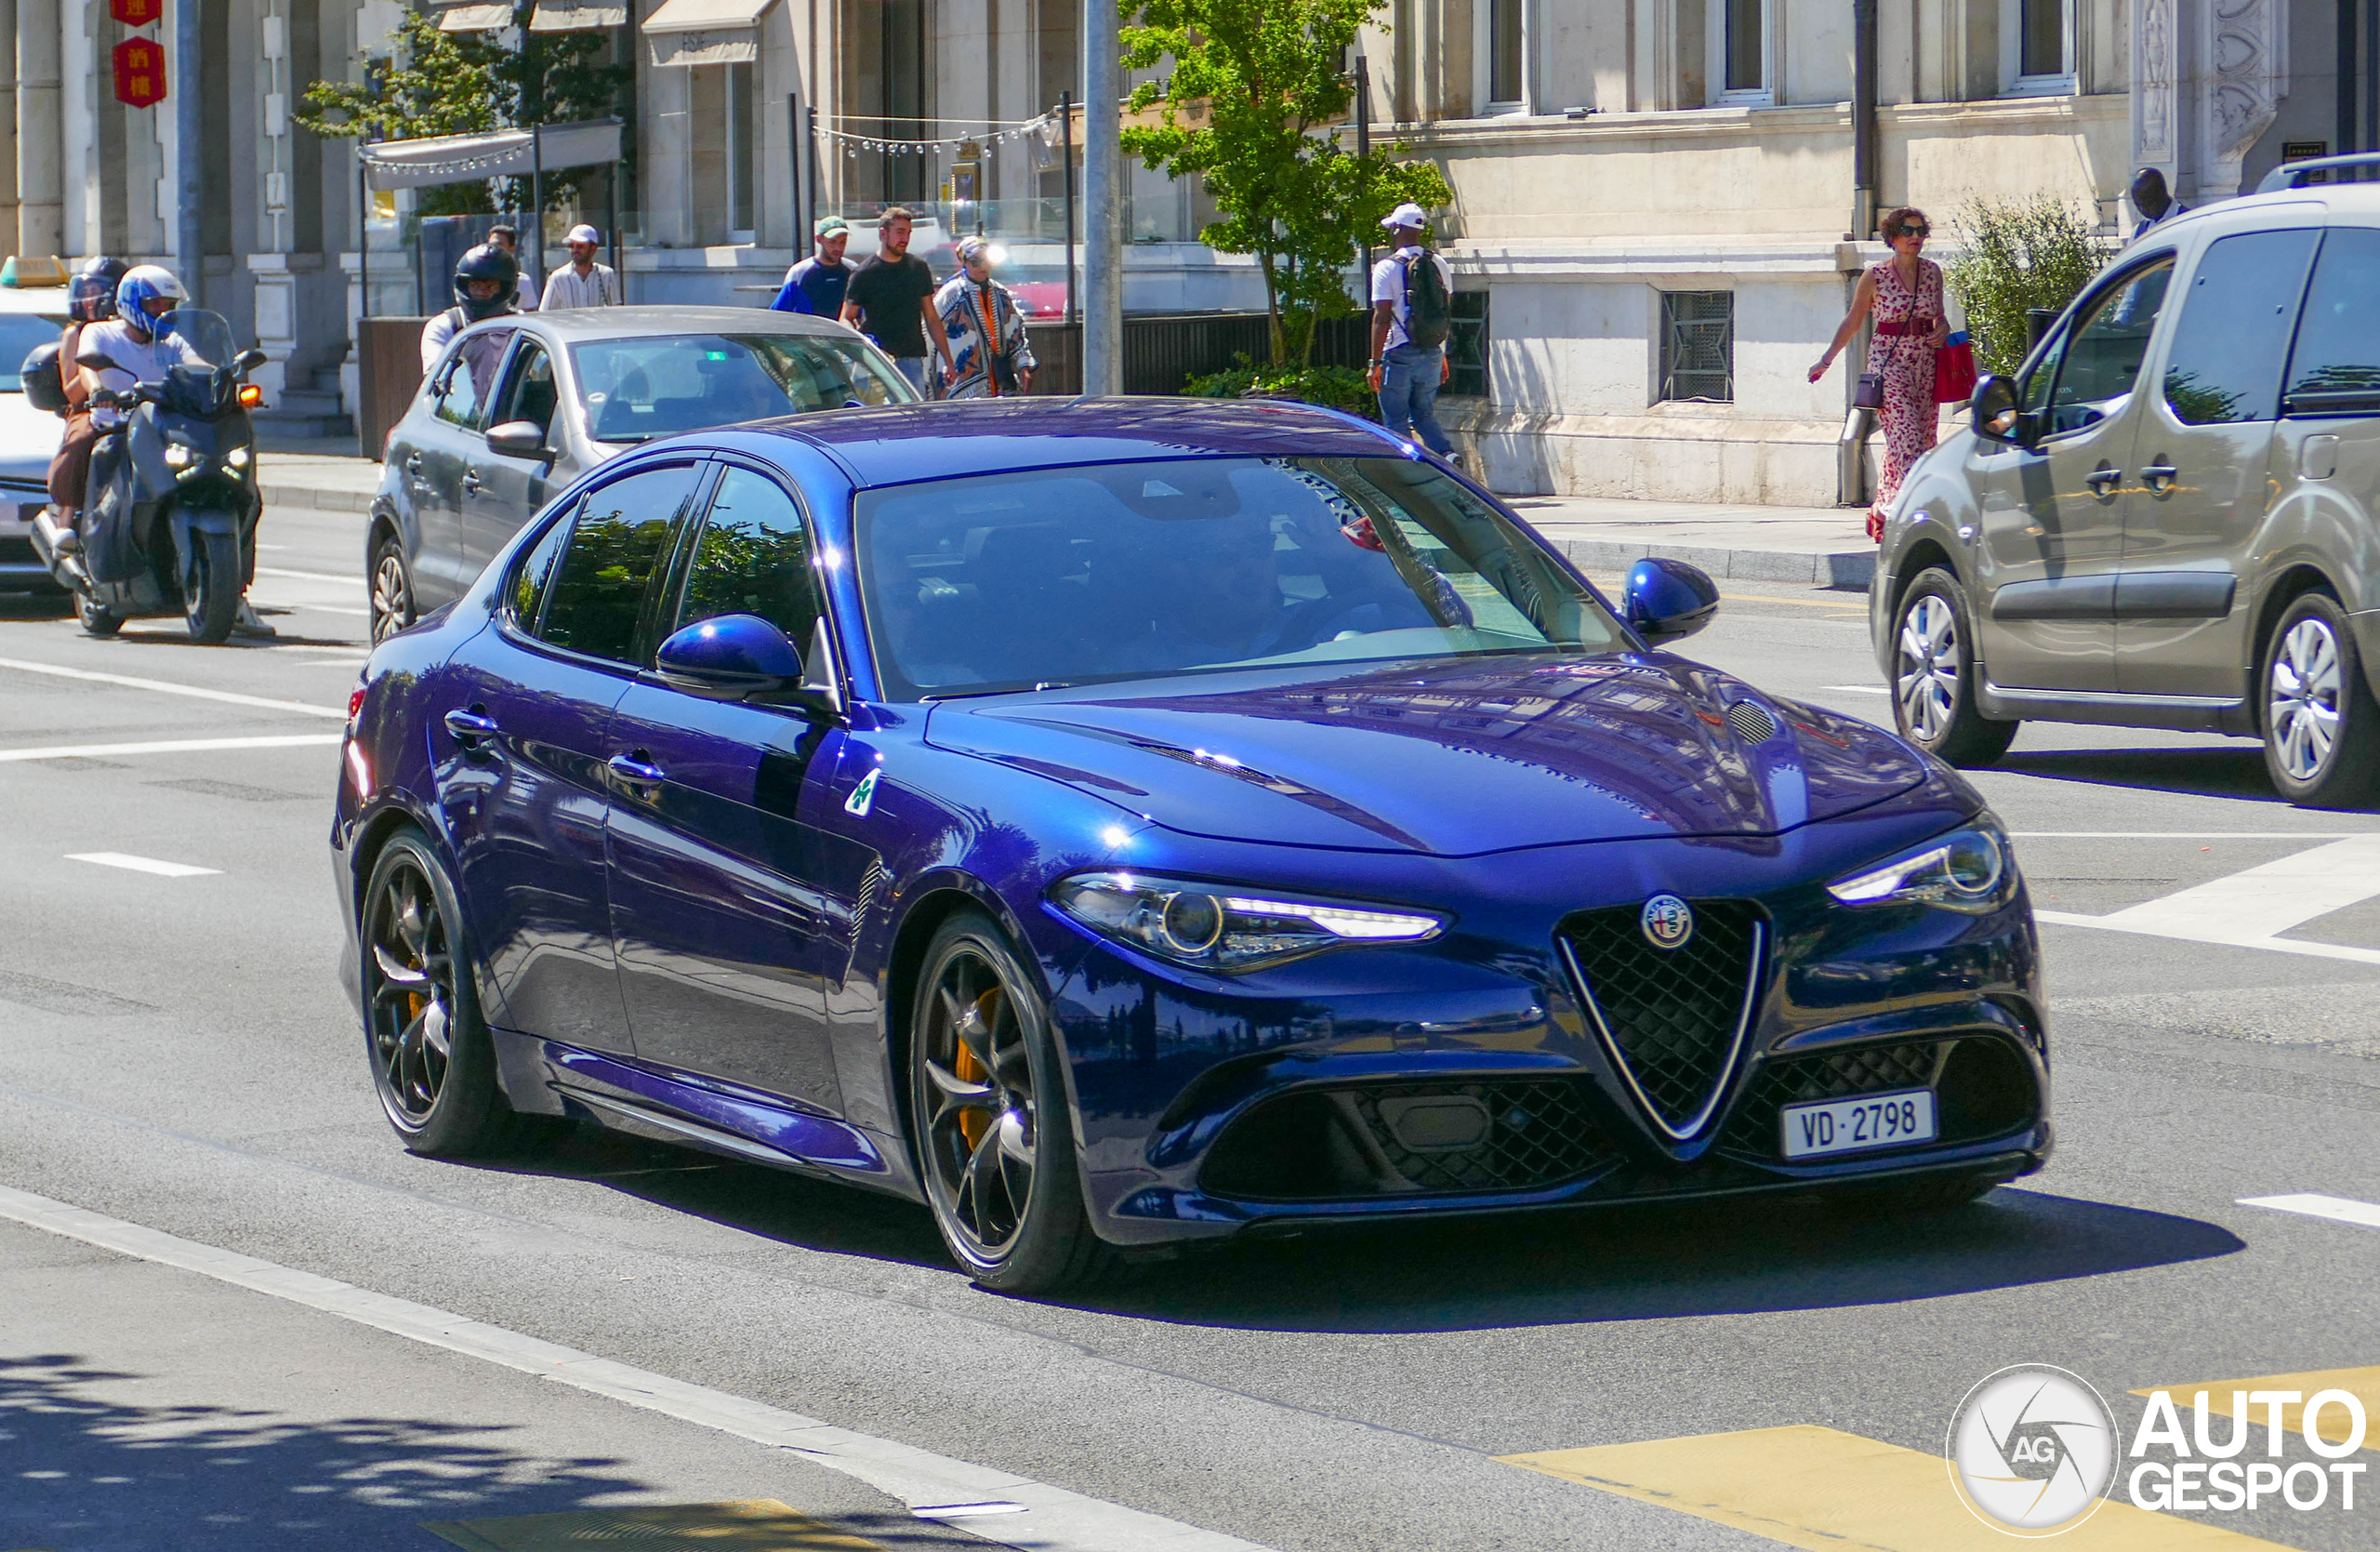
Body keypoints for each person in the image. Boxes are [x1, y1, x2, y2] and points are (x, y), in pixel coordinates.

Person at [76, 265, 274, 636]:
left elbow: (199, 365)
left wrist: (224, 380)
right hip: (119, 424)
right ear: (132, 303)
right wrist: (96, 390)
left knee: (240, 486)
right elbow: (88, 366)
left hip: (167, 424)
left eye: (168, 305)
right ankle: (90, 542)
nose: (162, 313)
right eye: (155, 305)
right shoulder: (101, 333)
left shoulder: (171, 342)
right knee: (104, 455)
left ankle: (236, 593)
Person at [1810, 206, 1949, 543]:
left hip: (1925, 363)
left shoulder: (1932, 272)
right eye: (1907, 231)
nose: (1915, 238)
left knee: (1923, 440)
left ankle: (1884, 511)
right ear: (1892, 237)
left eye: (1920, 232)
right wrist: (1826, 359)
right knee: (1906, 440)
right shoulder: (1876, 276)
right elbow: (1854, 320)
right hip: (1889, 364)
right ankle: (1910, 515)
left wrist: (1942, 329)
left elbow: (1940, 317)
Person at [1368, 202, 1459, 463]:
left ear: (1397, 229)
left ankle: (1405, 467)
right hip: (1431, 351)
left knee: (1395, 418)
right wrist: (1441, 353)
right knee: (1423, 414)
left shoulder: (1387, 267)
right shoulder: (1438, 263)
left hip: (1398, 352)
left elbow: (1382, 317)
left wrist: (1374, 363)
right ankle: (1447, 454)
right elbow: (1444, 312)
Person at [46, 255, 127, 539]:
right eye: (86, 292)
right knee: (80, 440)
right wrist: (97, 362)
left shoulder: (133, 331)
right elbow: (72, 391)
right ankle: (66, 522)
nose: (89, 300)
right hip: (90, 409)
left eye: (96, 292)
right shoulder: (75, 333)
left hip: (137, 406)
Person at [840, 206, 955, 394]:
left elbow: (932, 317)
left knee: (913, 418)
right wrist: (859, 347)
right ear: (883, 234)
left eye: (908, 233)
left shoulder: (918, 268)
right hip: (876, 360)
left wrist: (948, 362)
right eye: (900, 232)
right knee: (875, 417)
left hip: (911, 359)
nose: (905, 239)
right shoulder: (864, 272)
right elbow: (846, 317)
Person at [932, 236, 1036, 399]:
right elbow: (931, 334)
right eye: (976, 261)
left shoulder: (1001, 294)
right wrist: (942, 368)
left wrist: (1023, 366)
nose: (983, 266)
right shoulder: (950, 295)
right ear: (964, 263)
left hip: (1001, 379)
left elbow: (1015, 333)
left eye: (987, 261)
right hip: (961, 383)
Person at [419, 244, 522, 372]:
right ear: (463, 285)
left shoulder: (521, 326)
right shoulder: (444, 326)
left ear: (506, 288)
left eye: (490, 286)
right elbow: (436, 377)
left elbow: (541, 366)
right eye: (474, 285)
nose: (481, 291)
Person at [773, 216, 854, 316]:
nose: (838, 248)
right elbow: (778, 313)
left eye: (843, 242)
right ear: (819, 239)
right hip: (809, 331)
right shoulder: (799, 272)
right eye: (832, 242)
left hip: (842, 331)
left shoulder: (853, 270)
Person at [541, 223, 621, 310]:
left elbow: (616, 311)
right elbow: (545, 313)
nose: (575, 250)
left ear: (593, 249)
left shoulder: (606, 275)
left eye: (580, 246)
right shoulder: (558, 278)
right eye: (571, 246)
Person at [487, 224, 540, 310]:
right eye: (491, 245)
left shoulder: (523, 282)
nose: (494, 249)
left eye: (499, 245)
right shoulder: (478, 279)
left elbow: (529, 314)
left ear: (511, 248)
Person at [2130, 166, 2188, 241]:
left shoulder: (2187, 221)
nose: (2143, 210)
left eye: (2147, 204)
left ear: (2161, 194)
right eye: (2138, 205)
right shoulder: (2138, 232)